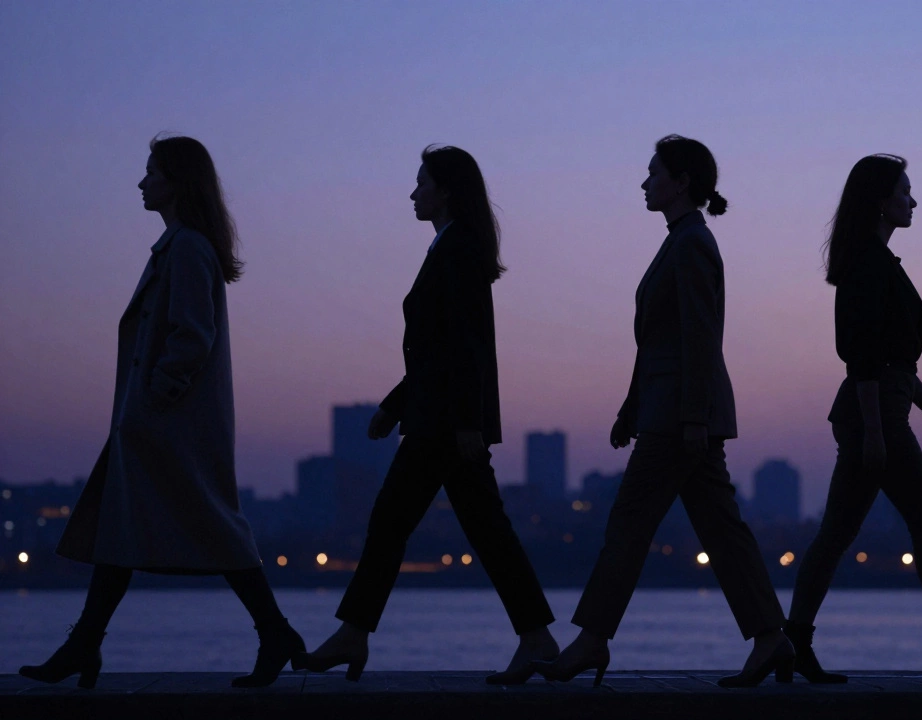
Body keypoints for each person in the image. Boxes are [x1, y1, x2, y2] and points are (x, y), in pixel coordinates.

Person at [19, 136, 304, 689]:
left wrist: (155, 398)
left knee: (206, 526)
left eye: (151, 172)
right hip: (159, 422)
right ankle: (87, 644)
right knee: (123, 527)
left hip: (169, 423)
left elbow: (192, 335)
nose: (142, 182)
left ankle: (272, 631)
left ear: (177, 182)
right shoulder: (181, 246)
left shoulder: (188, 248)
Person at [532, 135, 792, 689]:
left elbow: (700, 336)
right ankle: (771, 636)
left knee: (628, 524)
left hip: (678, 418)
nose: (644, 183)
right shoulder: (681, 241)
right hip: (673, 411)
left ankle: (592, 640)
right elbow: (660, 341)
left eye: (653, 173)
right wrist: (632, 408)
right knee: (721, 529)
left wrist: (691, 417)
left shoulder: (691, 243)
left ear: (681, 182)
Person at [295, 145, 557, 685]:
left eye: (421, 183)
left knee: (398, 523)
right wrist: (395, 406)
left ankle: (354, 634)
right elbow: (439, 350)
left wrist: (465, 423)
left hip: (444, 425)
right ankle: (535, 638)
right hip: (441, 419)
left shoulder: (457, 250)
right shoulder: (451, 247)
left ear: (446, 191)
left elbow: (464, 346)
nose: (413, 193)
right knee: (480, 530)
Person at [785, 155, 922, 685]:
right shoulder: (867, 265)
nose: (913, 201)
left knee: (839, 533)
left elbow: (896, 362)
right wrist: (876, 432)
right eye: (904, 191)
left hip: (880, 409)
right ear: (880, 201)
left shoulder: (877, 262)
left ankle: (793, 644)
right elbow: (863, 357)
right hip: (873, 415)